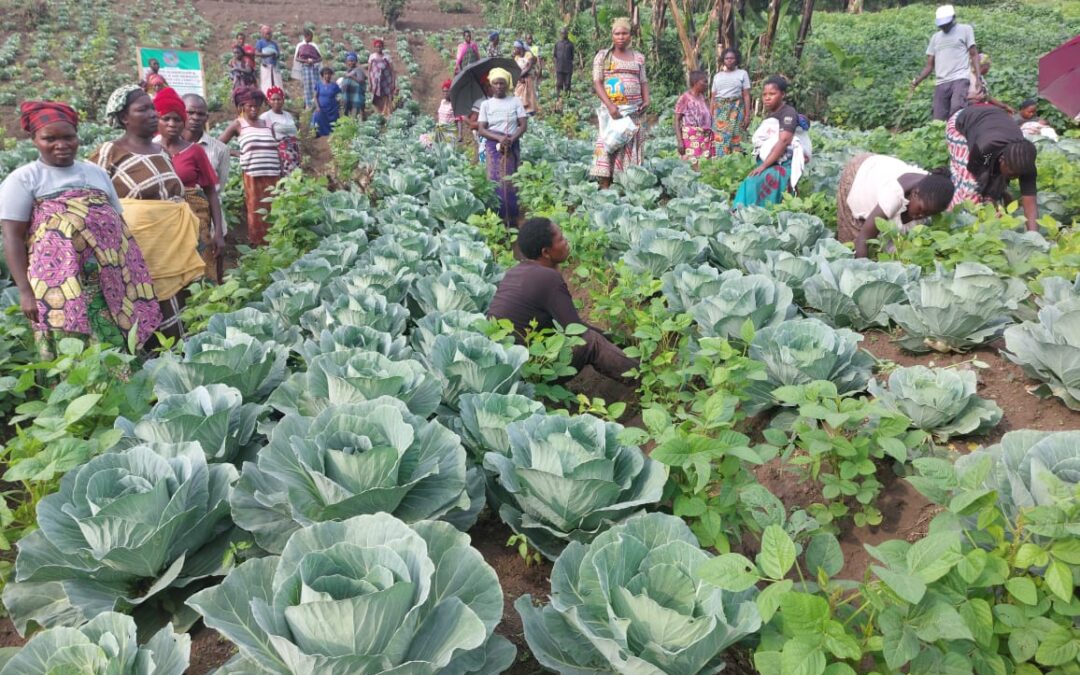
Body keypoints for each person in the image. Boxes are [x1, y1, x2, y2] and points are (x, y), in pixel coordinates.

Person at [1, 101, 160, 357]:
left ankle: (118, 390)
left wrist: (133, 271)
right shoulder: (24, 179)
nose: (61, 145)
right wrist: (25, 291)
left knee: (116, 343)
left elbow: (119, 225)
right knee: (72, 348)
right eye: (49, 138)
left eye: (69, 137)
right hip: (59, 286)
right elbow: (12, 238)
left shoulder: (96, 173)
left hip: (108, 280)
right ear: (34, 139)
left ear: (77, 136)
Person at [93, 85, 205, 341]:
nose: (153, 114)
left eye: (152, 108)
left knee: (179, 309)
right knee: (146, 311)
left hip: (171, 250)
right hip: (138, 255)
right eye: (142, 109)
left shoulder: (161, 152)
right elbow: (95, 204)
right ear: (124, 118)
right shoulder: (110, 152)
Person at [488, 217, 637, 386]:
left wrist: (622, 343)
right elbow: (576, 331)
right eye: (560, 239)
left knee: (589, 335)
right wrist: (618, 342)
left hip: (508, 369)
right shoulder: (547, 278)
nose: (566, 242)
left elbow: (572, 325)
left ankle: (631, 355)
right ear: (546, 252)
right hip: (529, 371)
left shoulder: (514, 272)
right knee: (590, 342)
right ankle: (644, 380)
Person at [155, 87, 224, 284]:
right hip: (163, 220)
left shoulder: (195, 152)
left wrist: (218, 231)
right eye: (166, 118)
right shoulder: (150, 150)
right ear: (157, 120)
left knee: (200, 269)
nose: (172, 124)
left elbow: (211, 192)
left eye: (177, 119)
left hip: (196, 219)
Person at [836, 154, 955, 257]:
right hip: (861, 172)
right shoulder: (893, 195)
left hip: (883, 169)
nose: (921, 215)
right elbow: (863, 238)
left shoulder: (935, 187)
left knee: (890, 246)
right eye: (920, 210)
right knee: (852, 241)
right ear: (914, 193)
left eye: (928, 214)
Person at [946, 103, 1039, 231]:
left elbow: (1030, 202)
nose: (1014, 178)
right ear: (1002, 160)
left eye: (1018, 175)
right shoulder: (986, 151)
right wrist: (991, 204)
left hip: (991, 122)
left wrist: (1033, 236)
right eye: (1011, 175)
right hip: (962, 122)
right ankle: (955, 220)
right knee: (969, 186)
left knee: (990, 192)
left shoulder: (1025, 163)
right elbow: (978, 175)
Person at [733, 76, 811, 208]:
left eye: (772, 94)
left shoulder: (788, 113)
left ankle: (754, 211)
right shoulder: (772, 114)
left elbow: (784, 140)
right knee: (753, 181)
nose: (767, 98)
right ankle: (745, 212)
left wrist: (763, 166)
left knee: (755, 181)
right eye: (764, 95)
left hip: (782, 164)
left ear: (782, 95)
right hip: (772, 161)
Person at [590, 17, 649, 189]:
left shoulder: (638, 57)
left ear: (631, 36)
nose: (621, 37)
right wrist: (610, 106)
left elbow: (643, 80)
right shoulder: (603, 56)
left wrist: (647, 98)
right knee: (609, 143)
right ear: (612, 35)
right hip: (612, 111)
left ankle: (625, 184)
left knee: (629, 144)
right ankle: (605, 184)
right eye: (617, 33)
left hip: (633, 111)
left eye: (624, 33)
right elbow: (597, 82)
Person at [219, 86, 282, 246]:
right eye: (250, 106)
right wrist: (236, 153)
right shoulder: (238, 124)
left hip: (273, 173)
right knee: (256, 210)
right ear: (242, 107)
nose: (254, 109)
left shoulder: (268, 123)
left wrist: (282, 172)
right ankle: (258, 245)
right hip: (253, 174)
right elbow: (218, 144)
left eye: (257, 105)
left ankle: (275, 242)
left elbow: (275, 146)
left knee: (273, 207)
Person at [182, 93, 230, 255]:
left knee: (211, 265)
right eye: (190, 112)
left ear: (207, 117)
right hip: (175, 216)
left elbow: (218, 188)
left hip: (209, 216)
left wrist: (217, 230)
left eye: (201, 114)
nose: (195, 117)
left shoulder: (220, 149)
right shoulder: (160, 145)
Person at [912, 4, 977, 122]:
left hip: (960, 78)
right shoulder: (935, 38)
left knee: (957, 110)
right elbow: (929, 65)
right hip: (941, 82)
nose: (944, 27)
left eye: (946, 24)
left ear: (953, 18)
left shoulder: (965, 29)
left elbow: (973, 54)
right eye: (941, 25)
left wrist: (977, 79)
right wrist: (917, 80)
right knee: (938, 119)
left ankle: (959, 138)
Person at [479, 68, 527, 225]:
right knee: (495, 180)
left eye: (502, 83)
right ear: (491, 85)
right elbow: (481, 129)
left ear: (507, 85)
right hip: (494, 145)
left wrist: (511, 139)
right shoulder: (486, 105)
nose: (499, 86)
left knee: (510, 180)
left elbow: (523, 125)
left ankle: (512, 217)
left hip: (511, 144)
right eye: (496, 83)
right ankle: (497, 217)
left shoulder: (515, 101)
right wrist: (499, 137)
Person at [710, 48, 751, 157]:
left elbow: (746, 95)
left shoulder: (742, 73)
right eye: (727, 58)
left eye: (732, 58)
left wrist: (747, 115)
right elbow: (713, 97)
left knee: (736, 135)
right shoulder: (717, 76)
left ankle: (736, 163)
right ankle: (721, 163)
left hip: (736, 109)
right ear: (723, 60)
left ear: (736, 59)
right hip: (720, 111)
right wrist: (711, 115)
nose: (729, 60)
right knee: (720, 137)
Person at [674, 70, 713, 167]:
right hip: (691, 138)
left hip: (704, 137)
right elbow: (677, 120)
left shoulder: (702, 98)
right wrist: (680, 141)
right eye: (704, 82)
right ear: (696, 82)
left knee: (704, 167)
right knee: (693, 167)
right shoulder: (685, 98)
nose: (707, 84)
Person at [261, 87, 301, 174]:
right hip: (280, 154)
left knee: (296, 177)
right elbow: (265, 137)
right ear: (268, 101)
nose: (276, 102)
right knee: (284, 178)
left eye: (279, 99)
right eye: (273, 99)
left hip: (294, 152)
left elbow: (295, 133)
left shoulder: (288, 115)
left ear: (283, 100)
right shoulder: (266, 117)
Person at [292, 28, 323, 110]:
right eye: (310, 37)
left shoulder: (314, 45)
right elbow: (297, 58)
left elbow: (320, 58)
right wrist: (306, 61)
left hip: (314, 69)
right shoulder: (300, 46)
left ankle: (316, 105)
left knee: (315, 86)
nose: (312, 39)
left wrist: (313, 61)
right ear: (306, 36)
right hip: (305, 69)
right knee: (307, 87)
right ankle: (308, 106)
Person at [368, 39, 396, 116]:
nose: (379, 48)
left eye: (380, 47)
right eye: (377, 47)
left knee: (386, 96)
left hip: (385, 80)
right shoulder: (372, 57)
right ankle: (378, 112)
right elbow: (369, 71)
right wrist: (370, 82)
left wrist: (393, 82)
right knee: (376, 96)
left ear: (383, 47)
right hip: (375, 81)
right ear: (374, 47)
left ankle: (386, 112)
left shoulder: (387, 57)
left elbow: (392, 71)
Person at [311, 67, 341, 138]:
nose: (327, 76)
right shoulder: (318, 84)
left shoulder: (334, 85)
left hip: (332, 108)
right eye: (325, 74)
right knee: (316, 116)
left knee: (335, 121)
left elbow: (339, 95)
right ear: (322, 75)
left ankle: (334, 132)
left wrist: (339, 102)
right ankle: (316, 132)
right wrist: (317, 107)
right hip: (321, 107)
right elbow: (315, 96)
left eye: (329, 74)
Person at [513, 41, 539, 115]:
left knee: (529, 95)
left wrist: (520, 75)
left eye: (515, 48)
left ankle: (530, 111)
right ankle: (520, 111)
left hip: (528, 77)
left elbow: (529, 67)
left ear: (519, 48)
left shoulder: (528, 55)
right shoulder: (516, 57)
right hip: (520, 79)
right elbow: (516, 68)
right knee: (518, 95)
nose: (514, 50)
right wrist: (519, 77)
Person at [255, 25, 282, 95]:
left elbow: (278, 53)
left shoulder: (274, 43)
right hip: (265, 66)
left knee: (276, 82)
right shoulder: (260, 42)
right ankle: (267, 98)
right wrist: (268, 55)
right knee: (266, 83)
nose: (269, 35)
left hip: (274, 66)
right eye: (267, 33)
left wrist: (275, 55)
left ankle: (276, 98)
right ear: (263, 34)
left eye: (270, 33)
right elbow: (256, 53)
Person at [340, 52, 366, 119]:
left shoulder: (358, 70)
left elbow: (361, 81)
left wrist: (352, 76)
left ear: (356, 61)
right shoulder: (347, 71)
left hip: (356, 98)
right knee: (347, 116)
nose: (350, 63)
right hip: (348, 97)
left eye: (352, 61)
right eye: (349, 61)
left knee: (356, 115)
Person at [553, 28, 574, 111]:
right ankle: (559, 99)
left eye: (565, 33)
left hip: (568, 68)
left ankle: (567, 99)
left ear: (567, 34)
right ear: (560, 34)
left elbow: (572, 56)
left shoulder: (570, 45)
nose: (563, 34)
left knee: (568, 84)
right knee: (559, 84)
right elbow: (555, 55)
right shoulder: (557, 44)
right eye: (562, 33)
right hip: (559, 67)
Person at [434, 78, 457, 144]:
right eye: (444, 91)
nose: (445, 93)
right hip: (440, 131)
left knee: (449, 151)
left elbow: (459, 119)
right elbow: (439, 117)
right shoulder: (442, 102)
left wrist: (460, 135)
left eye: (447, 91)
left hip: (449, 132)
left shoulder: (454, 103)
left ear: (451, 91)